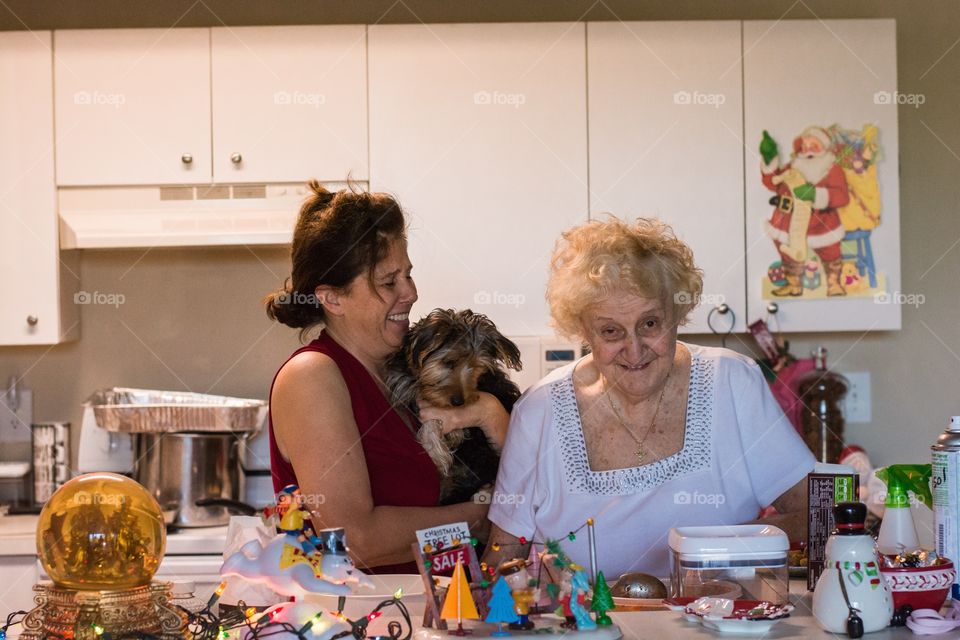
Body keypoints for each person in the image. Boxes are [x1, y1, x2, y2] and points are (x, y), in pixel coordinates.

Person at [483, 216, 815, 578]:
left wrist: (732, 547)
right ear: (583, 331)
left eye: (650, 324)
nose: (635, 349)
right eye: (611, 331)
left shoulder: (733, 382)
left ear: (677, 314)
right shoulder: (539, 410)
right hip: (587, 629)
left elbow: (817, 514)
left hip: (719, 624)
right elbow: (501, 555)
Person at [264, 182, 508, 573]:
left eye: (408, 275)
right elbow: (354, 542)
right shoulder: (312, 376)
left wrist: (493, 414)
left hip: (436, 614)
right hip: (364, 618)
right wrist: (479, 517)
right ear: (332, 298)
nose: (411, 292)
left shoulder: (407, 369)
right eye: (388, 282)